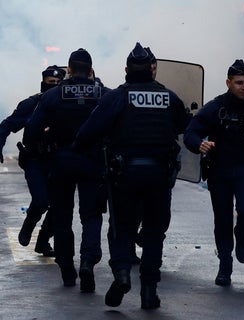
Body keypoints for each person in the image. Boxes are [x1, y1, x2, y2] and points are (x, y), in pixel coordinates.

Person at [73, 42, 188, 309]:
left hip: (124, 175)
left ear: (126, 70)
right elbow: (186, 127)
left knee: (122, 229)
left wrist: (85, 150)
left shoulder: (116, 97)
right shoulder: (168, 97)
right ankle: (149, 291)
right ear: (152, 70)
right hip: (160, 177)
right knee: (153, 233)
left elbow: (87, 133)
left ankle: (122, 273)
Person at [183, 59, 244, 287]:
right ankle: (225, 264)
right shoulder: (216, 108)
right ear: (229, 83)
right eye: (239, 83)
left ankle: (242, 232)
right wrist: (199, 145)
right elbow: (191, 133)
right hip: (220, 171)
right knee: (222, 220)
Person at [23, 48, 110, 293]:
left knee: (62, 217)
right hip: (93, 163)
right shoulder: (104, 95)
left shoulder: (52, 96)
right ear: (91, 71)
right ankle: (88, 261)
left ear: (69, 70)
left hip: (60, 162)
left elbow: (31, 133)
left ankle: (67, 269)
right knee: (91, 215)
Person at [0, 65, 66, 257]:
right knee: (41, 201)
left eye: (58, 83)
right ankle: (29, 225)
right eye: (51, 83)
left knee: (59, 205)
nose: (55, 86)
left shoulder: (66, 104)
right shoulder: (32, 104)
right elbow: (6, 125)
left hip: (57, 160)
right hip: (35, 160)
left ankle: (43, 241)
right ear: (43, 83)